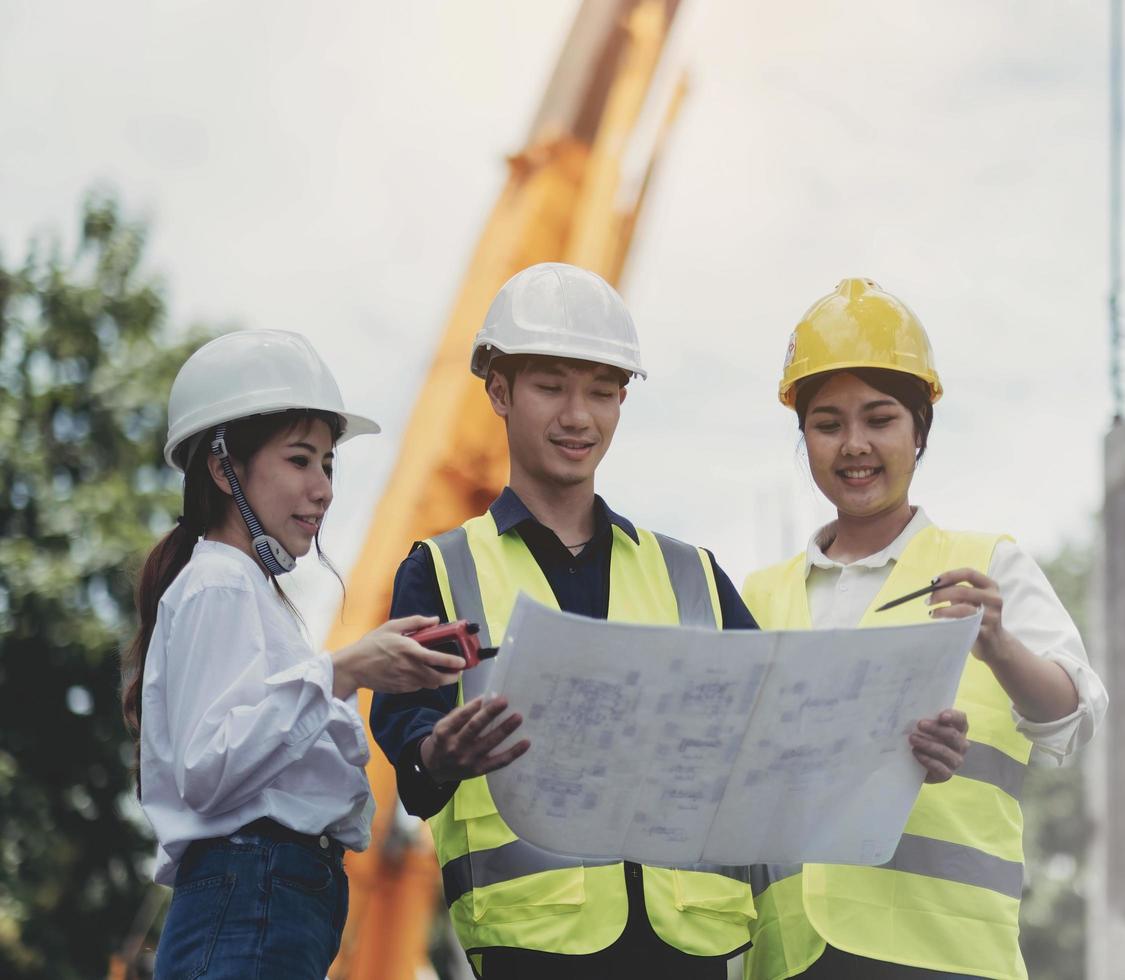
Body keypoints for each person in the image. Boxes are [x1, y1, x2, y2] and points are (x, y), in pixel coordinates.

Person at [369, 263, 968, 978]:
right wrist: (439, 754)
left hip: (694, 943)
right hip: (533, 945)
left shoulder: (693, 576)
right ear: (498, 391)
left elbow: (783, 736)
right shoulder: (442, 571)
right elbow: (408, 752)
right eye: (550, 386)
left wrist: (899, 751)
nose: (577, 416)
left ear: (623, 400)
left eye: (600, 391)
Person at [742, 279, 1110, 980]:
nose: (854, 445)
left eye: (879, 419)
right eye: (827, 424)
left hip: (948, 955)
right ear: (804, 438)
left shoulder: (987, 565)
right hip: (789, 956)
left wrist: (998, 647)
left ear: (919, 429)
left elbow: (1071, 722)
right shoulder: (758, 597)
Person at [123, 330, 477, 979]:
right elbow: (208, 764)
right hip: (253, 888)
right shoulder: (219, 583)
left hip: (267, 894)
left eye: (328, 465)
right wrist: (345, 670)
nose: (323, 489)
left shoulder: (245, 592)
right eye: (299, 460)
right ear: (221, 466)